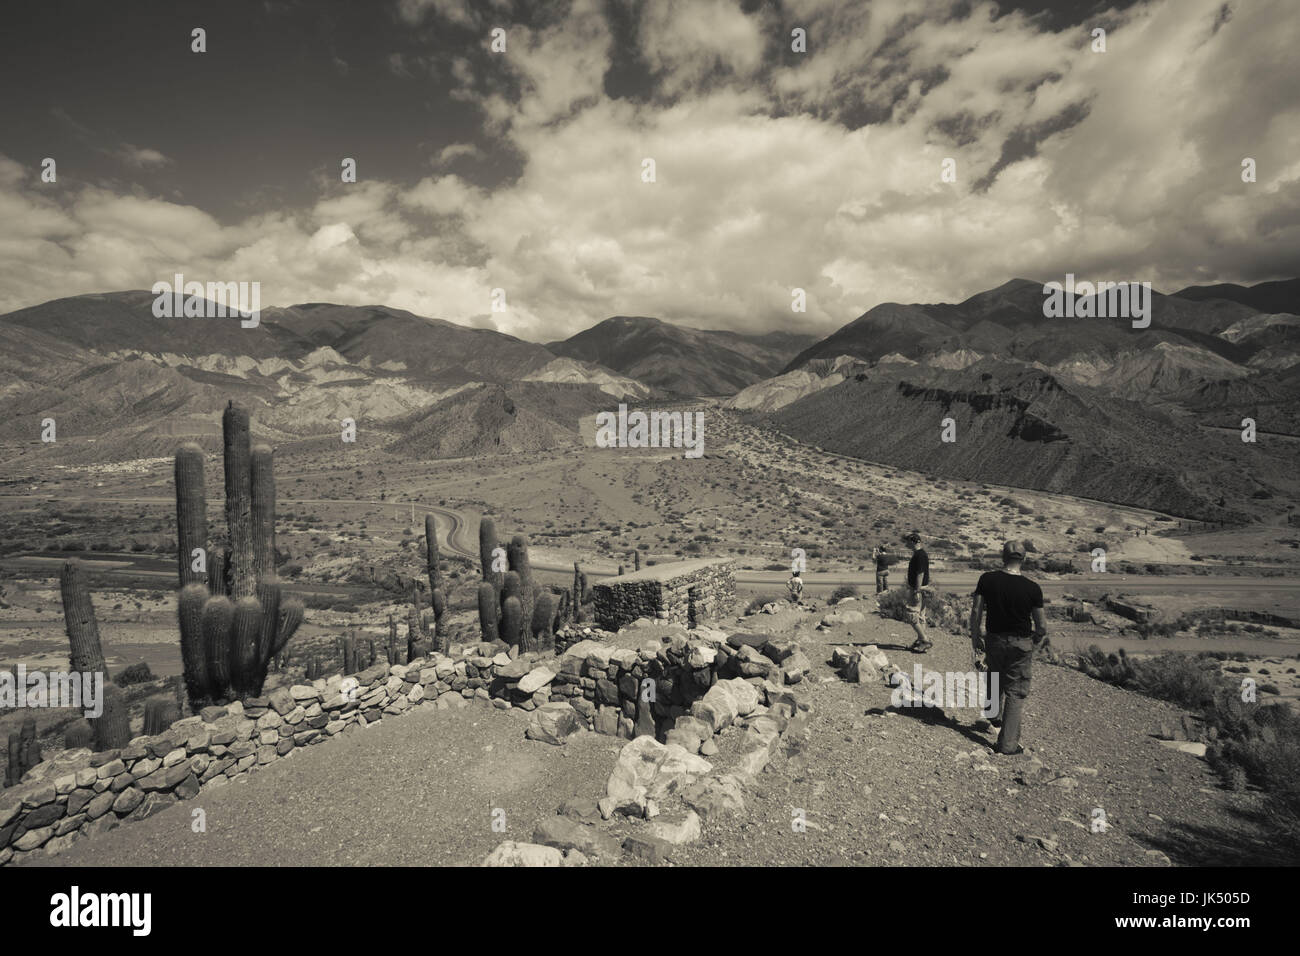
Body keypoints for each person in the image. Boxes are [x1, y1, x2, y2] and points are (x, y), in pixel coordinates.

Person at [969, 540, 1048, 755]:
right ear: (1024, 559)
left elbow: (976, 612)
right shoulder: (1032, 588)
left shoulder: (987, 579)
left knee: (994, 677)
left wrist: (975, 637)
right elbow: (1041, 625)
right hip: (1021, 643)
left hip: (994, 639)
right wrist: (1035, 642)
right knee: (1015, 691)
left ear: (1002, 557)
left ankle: (993, 715)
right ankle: (1007, 745)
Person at [903, 532, 931, 652]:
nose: (906, 544)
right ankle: (921, 641)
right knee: (920, 617)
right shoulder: (920, 554)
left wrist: (916, 591)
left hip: (918, 589)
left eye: (908, 541)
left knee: (911, 615)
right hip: (923, 588)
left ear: (914, 542)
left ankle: (924, 640)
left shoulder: (919, 555)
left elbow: (920, 573)